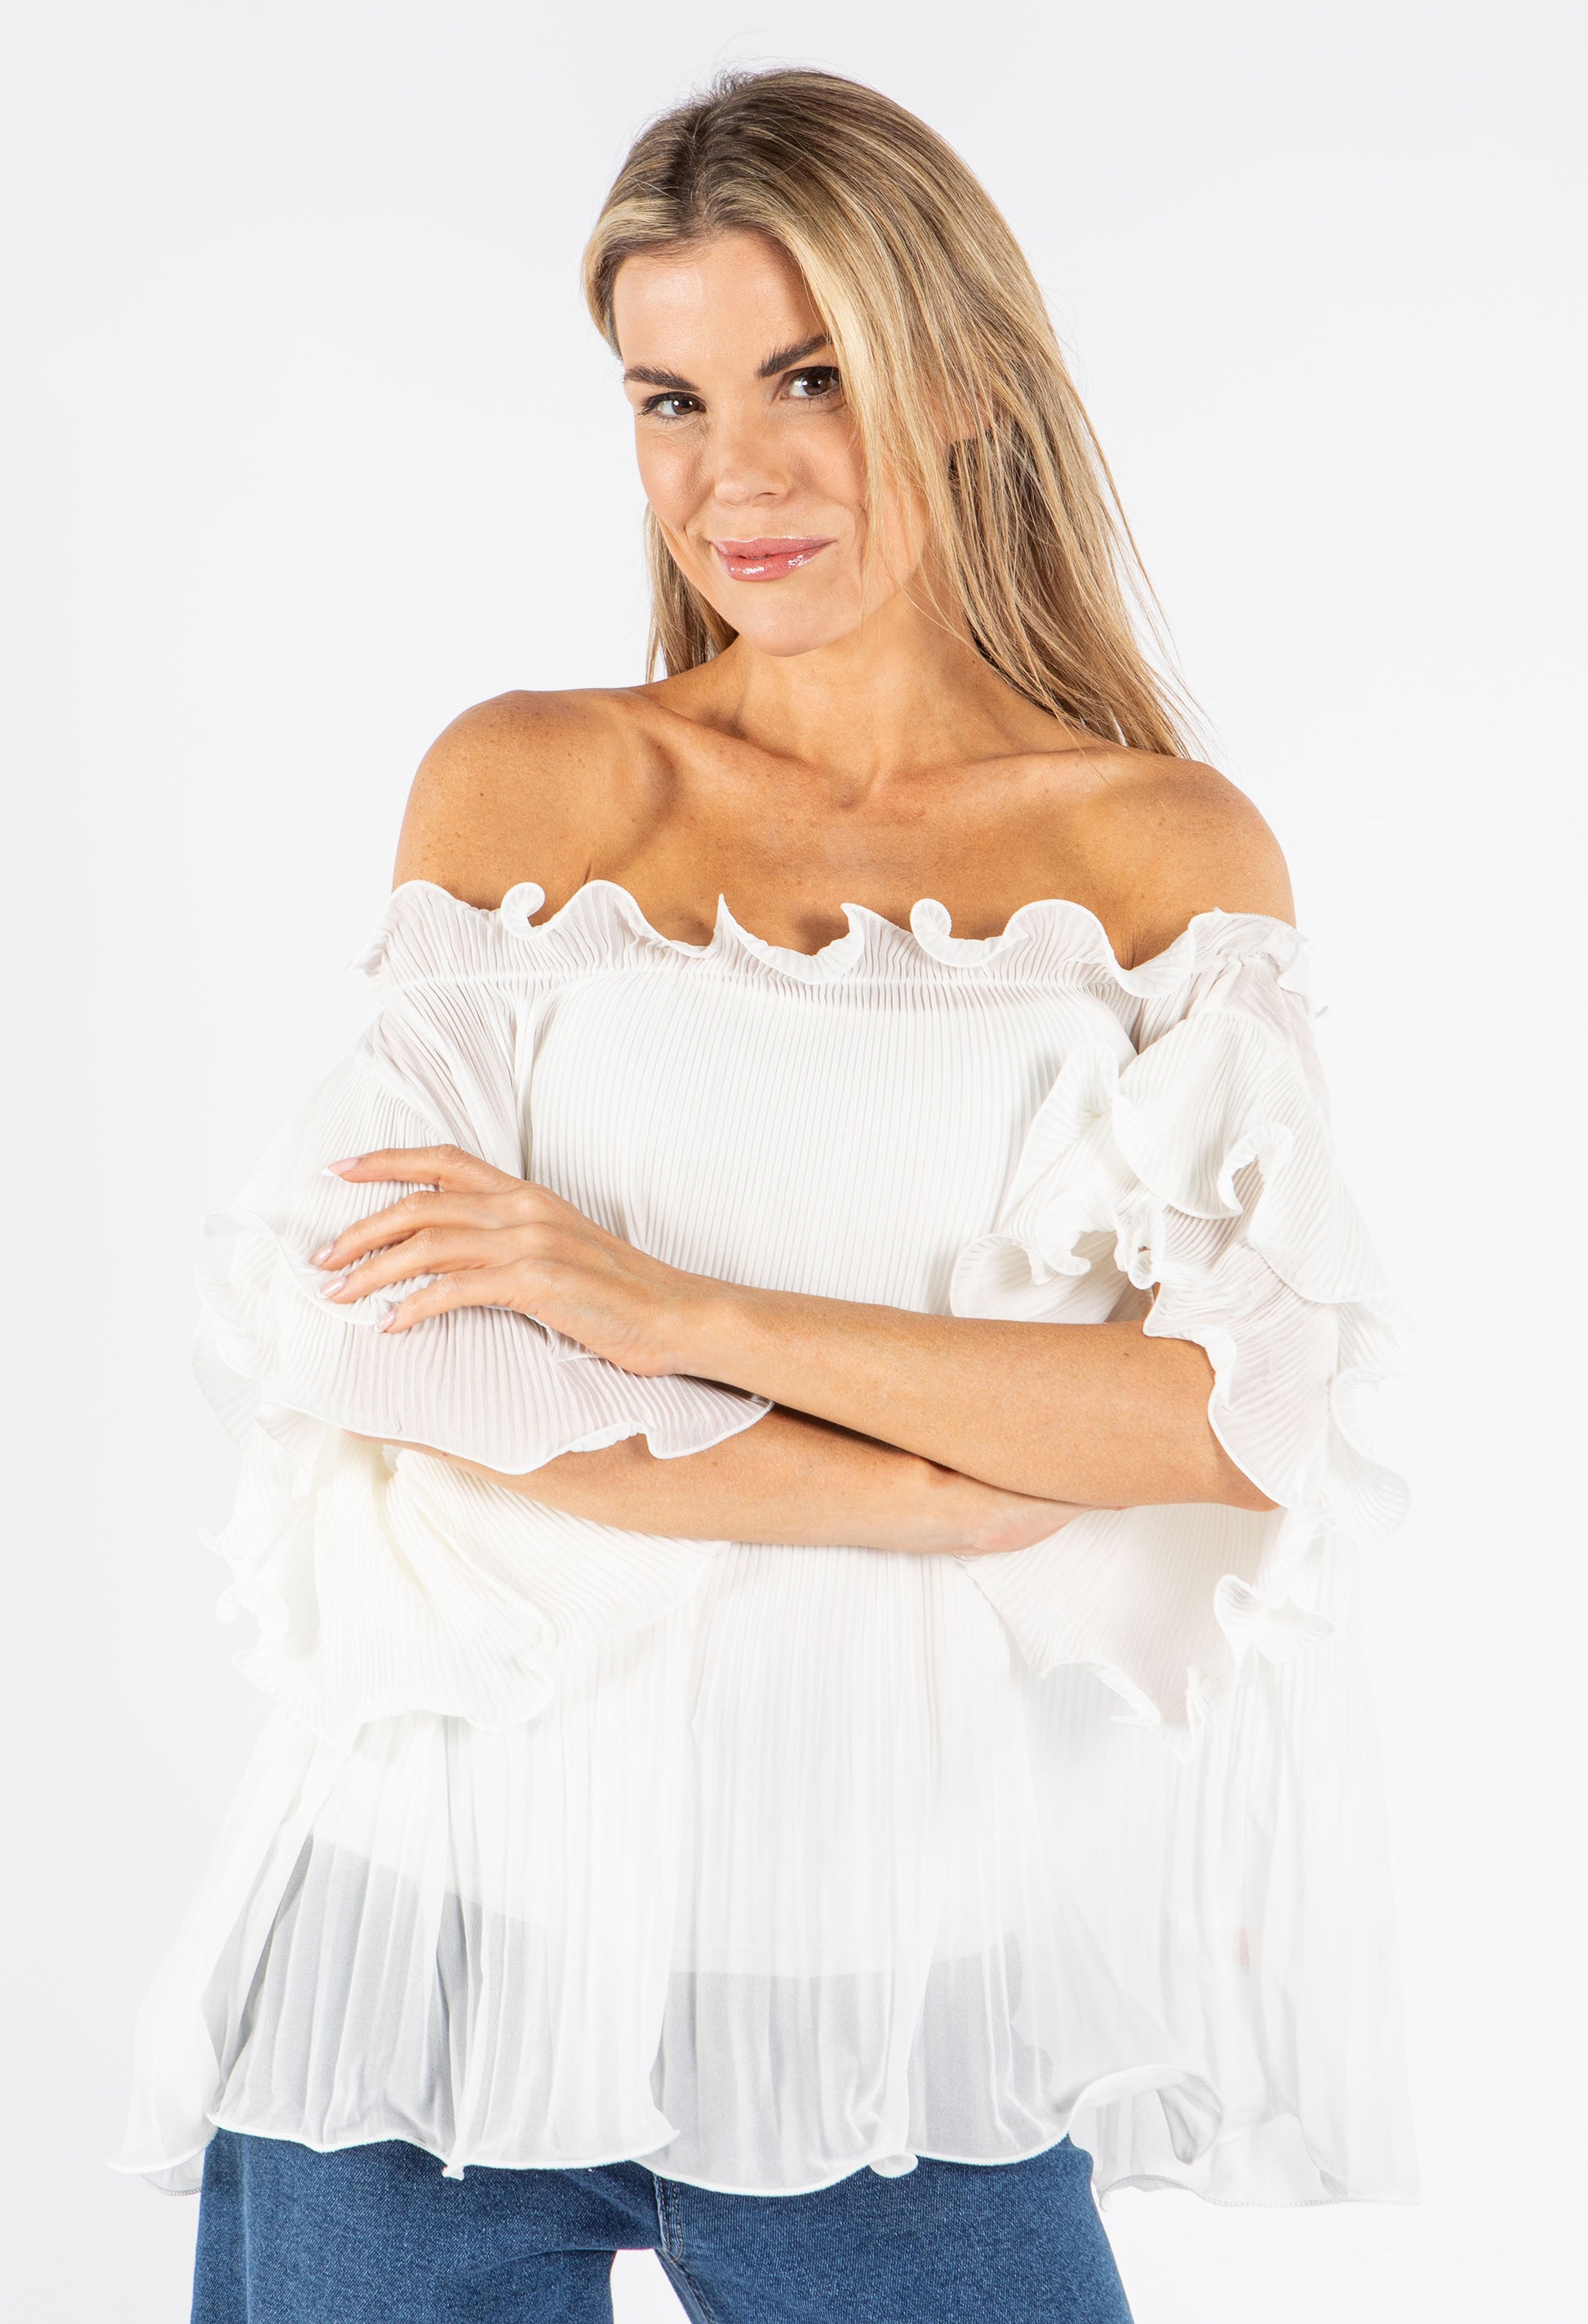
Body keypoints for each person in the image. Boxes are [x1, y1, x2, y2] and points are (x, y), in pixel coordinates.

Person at [118, 66, 1416, 2324]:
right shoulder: (537, 784)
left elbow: (1239, 1410)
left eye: (811, 375)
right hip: (430, 1950)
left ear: (970, 375)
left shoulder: (1153, 855)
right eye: (673, 399)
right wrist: (911, 1488)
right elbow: (364, 1323)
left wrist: (664, 1308)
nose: (738, 474)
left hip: (893, 2008)